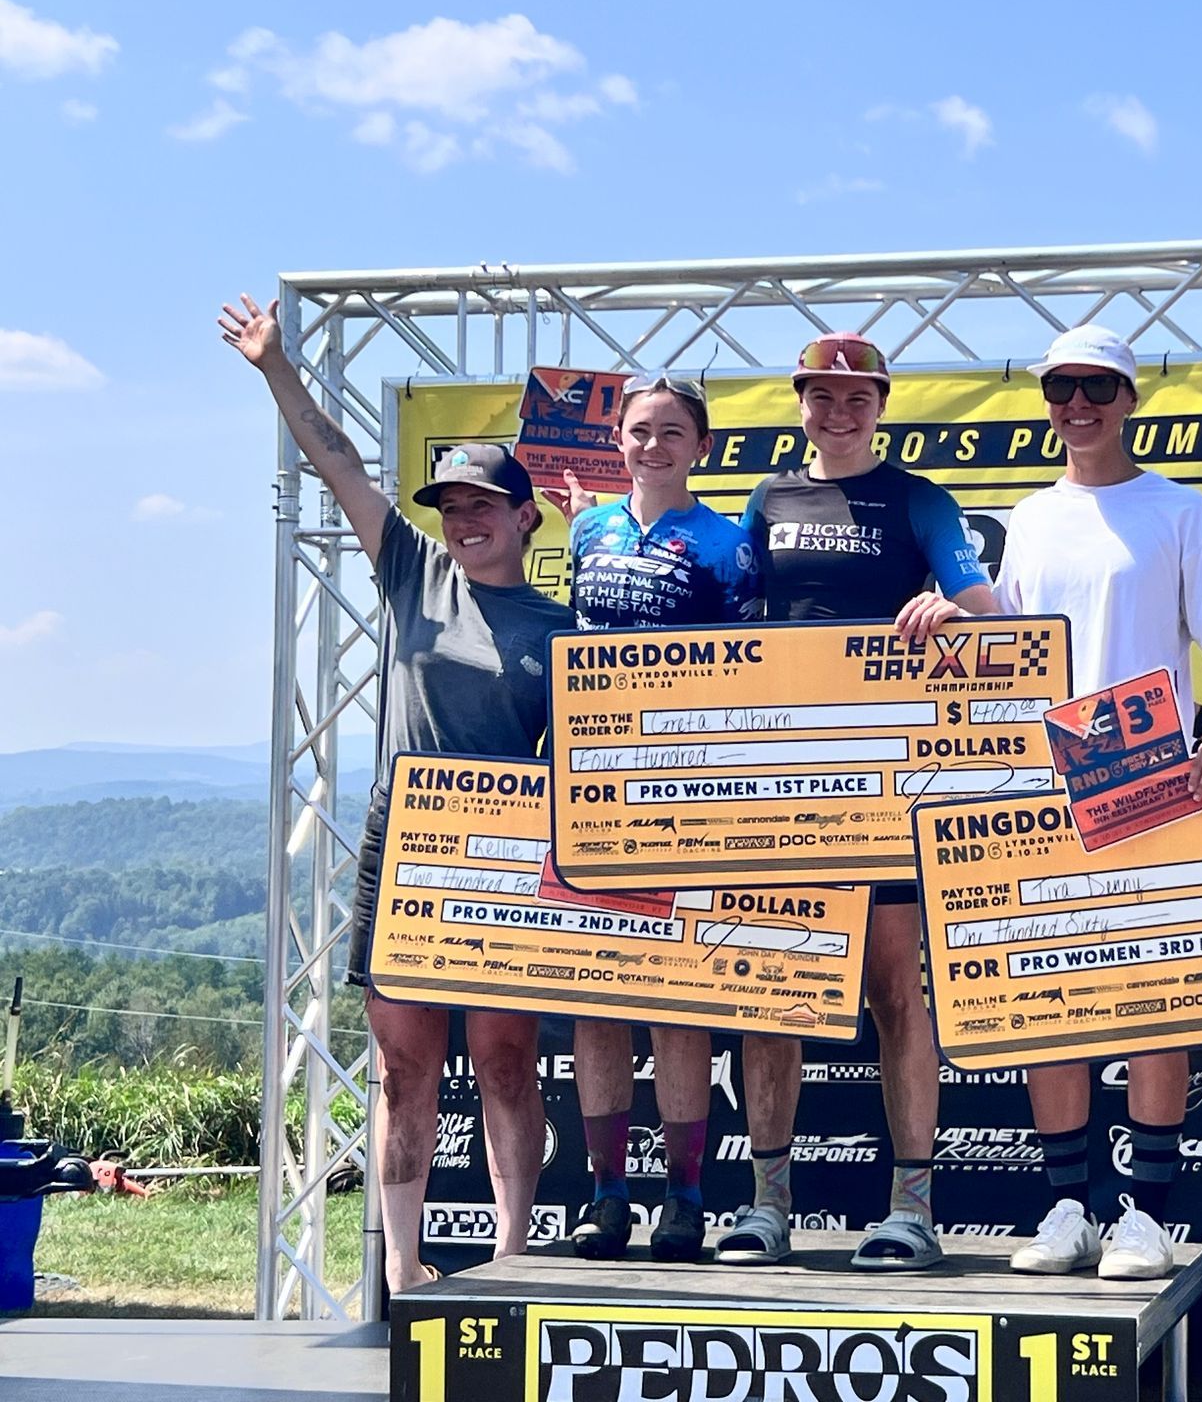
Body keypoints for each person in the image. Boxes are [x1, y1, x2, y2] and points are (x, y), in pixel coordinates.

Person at [221, 293, 572, 1293]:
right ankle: (407, 1271)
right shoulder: (412, 572)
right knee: (404, 1069)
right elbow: (337, 463)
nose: (461, 524)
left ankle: (511, 1258)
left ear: (522, 518)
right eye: (449, 509)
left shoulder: (561, 630)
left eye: (479, 508)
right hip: (407, 844)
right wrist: (276, 368)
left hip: (512, 856)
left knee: (507, 1063)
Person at [987, 324, 1202, 1280]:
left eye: (1097, 387)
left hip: (1154, 774)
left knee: (1158, 1001)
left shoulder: (1179, 509)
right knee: (1052, 1002)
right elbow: (1007, 637)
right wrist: (952, 608)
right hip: (1047, 778)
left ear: (1130, 398)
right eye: (1061, 387)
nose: (1079, 404)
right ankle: (1065, 1209)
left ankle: (1146, 1217)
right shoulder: (1029, 517)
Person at [716, 332, 997, 1270]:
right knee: (772, 997)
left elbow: (989, 610)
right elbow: (721, 618)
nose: (839, 412)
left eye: (857, 398)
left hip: (887, 790)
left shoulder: (917, 499)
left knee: (894, 997)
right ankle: (766, 1206)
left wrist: (955, 609)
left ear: (881, 405)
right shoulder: (765, 500)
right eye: (822, 396)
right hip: (785, 786)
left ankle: (911, 1208)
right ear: (799, 401)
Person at [543, 375, 758, 1264]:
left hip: (679, 791)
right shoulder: (589, 527)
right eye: (640, 430)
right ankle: (604, 1195)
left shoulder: (727, 543)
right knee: (599, 996)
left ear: (700, 447)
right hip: (585, 787)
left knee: (676, 1002)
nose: (655, 445)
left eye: (674, 432)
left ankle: (686, 1198)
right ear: (618, 442)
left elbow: (746, 668)